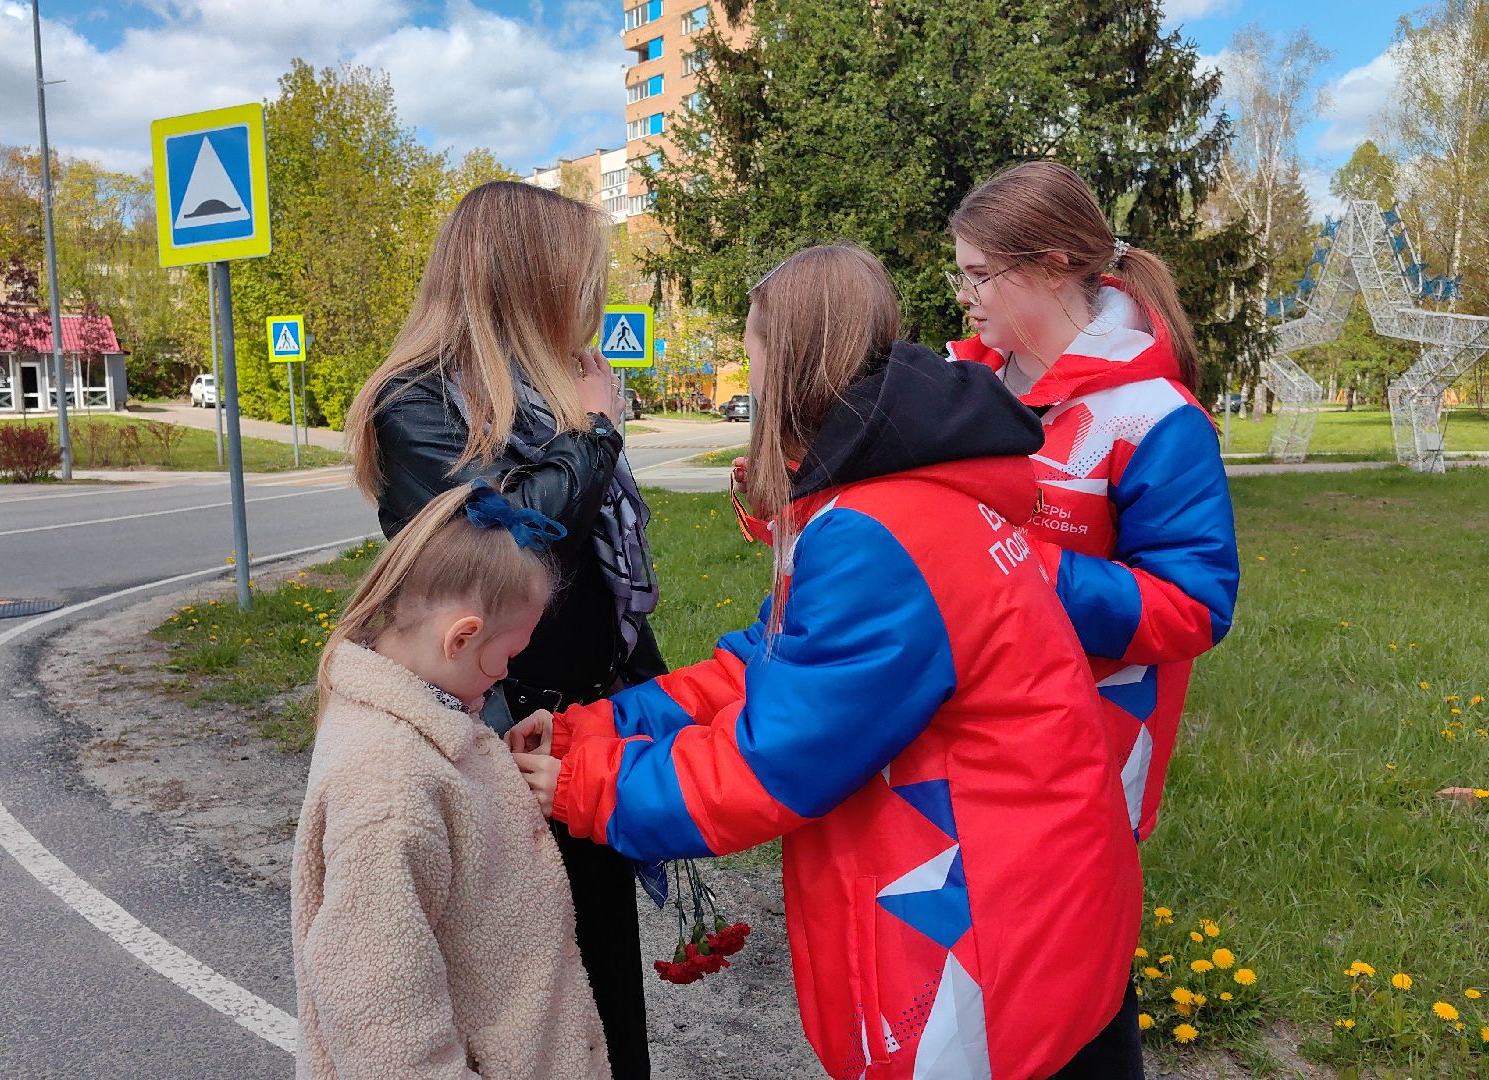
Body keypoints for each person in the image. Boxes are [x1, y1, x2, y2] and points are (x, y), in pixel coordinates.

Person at [510, 245, 1142, 1079]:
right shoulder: (897, 492)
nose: (750, 378)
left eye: (752, 351)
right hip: (1032, 902)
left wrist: (585, 785)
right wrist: (594, 728)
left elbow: (774, 763)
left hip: (985, 947)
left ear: (795, 360)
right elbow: (767, 663)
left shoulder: (875, 531)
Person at [347, 180, 662, 1080]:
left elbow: (604, 589)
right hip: (495, 742)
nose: (597, 305)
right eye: (583, 281)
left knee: (602, 986)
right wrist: (596, 433)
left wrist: (657, 712)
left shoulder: (545, 394)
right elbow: (509, 536)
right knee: (524, 999)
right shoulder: (415, 404)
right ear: (526, 283)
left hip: (579, 736)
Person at [944, 160, 1240, 846]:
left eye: (979, 273)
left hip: (1080, 749)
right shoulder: (954, 386)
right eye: (961, 274)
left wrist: (1015, 572)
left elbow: (1193, 606)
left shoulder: (1154, 417)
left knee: (1054, 946)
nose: (965, 294)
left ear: (1051, 266)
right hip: (957, 730)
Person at [291, 481, 608, 1080]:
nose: (508, 672)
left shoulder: (432, 718)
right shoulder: (388, 788)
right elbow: (380, 1015)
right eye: (508, 655)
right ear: (460, 637)